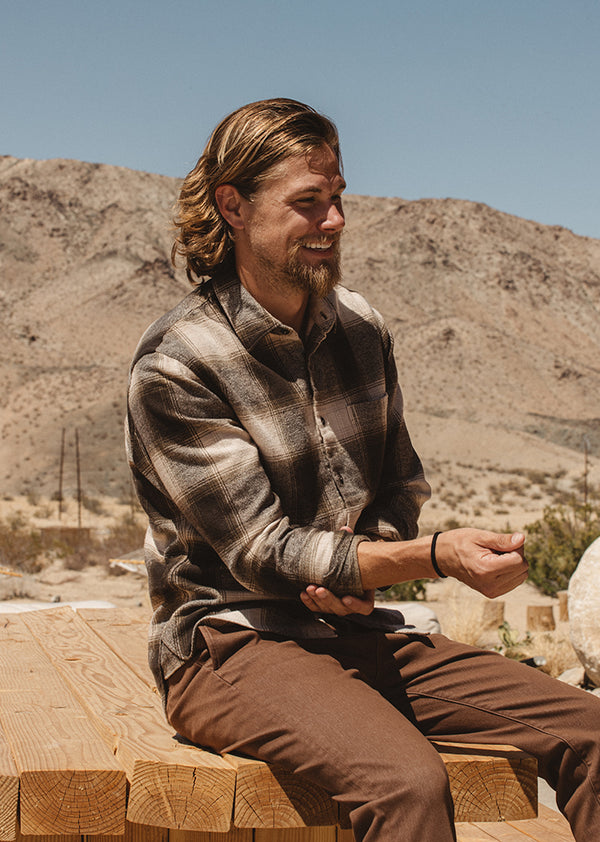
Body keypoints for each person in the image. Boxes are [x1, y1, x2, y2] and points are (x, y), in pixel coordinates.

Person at [126, 98, 599, 842]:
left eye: (338, 196)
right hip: (230, 645)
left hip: (350, 630)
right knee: (405, 783)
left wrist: (363, 568)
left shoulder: (359, 328)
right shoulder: (178, 364)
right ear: (233, 206)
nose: (335, 220)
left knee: (590, 733)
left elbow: (398, 484)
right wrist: (432, 557)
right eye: (308, 202)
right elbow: (262, 553)